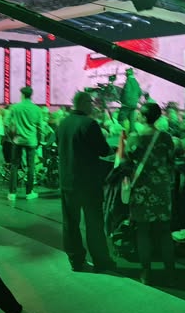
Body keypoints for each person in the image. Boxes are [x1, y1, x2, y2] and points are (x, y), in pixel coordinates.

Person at [57, 91, 115, 272]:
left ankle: (75, 260)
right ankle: (101, 260)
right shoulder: (90, 124)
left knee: (70, 223)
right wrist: (113, 147)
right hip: (88, 184)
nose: (93, 106)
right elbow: (103, 150)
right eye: (91, 102)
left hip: (67, 181)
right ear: (83, 103)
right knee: (94, 223)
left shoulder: (63, 123)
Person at [122, 102, 175, 285]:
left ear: (144, 117)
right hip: (161, 189)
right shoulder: (166, 137)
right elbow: (171, 161)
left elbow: (126, 162)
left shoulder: (134, 138)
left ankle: (146, 272)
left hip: (141, 190)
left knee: (143, 231)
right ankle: (170, 270)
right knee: (164, 230)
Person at [7, 86, 42, 201]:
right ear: (31, 95)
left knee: (14, 165)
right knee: (31, 166)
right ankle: (29, 192)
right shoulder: (37, 109)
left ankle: (12, 193)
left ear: (22, 95)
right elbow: (40, 127)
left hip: (17, 140)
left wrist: (11, 136)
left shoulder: (15, 107)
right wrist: (39, 140)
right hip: (31, 141)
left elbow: (6, 123)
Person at [118, 68, 142, 133]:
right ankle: (132, 133)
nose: (125, 74)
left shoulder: (128, 81)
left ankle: (122, 134)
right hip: (134, 104)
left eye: (126, 73)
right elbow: (140, 92)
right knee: (131, 120)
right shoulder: (136, 82)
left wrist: (122, 100)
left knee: (120, 119)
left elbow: (126, 91)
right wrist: (135, 99)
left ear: (128, 73)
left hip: (127, 104)